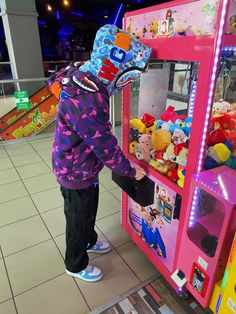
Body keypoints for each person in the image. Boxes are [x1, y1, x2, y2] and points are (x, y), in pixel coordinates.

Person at [48, 24, 151, 282]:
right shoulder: (86, 97)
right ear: (112, 66)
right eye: (127, 71)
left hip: (84, 165)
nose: (129, 78)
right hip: (75, 171)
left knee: (88, 209)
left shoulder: (85, 77)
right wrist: (129, 169)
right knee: (78, 216)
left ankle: (89, 239)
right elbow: (104, 144)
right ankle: (75, 263)